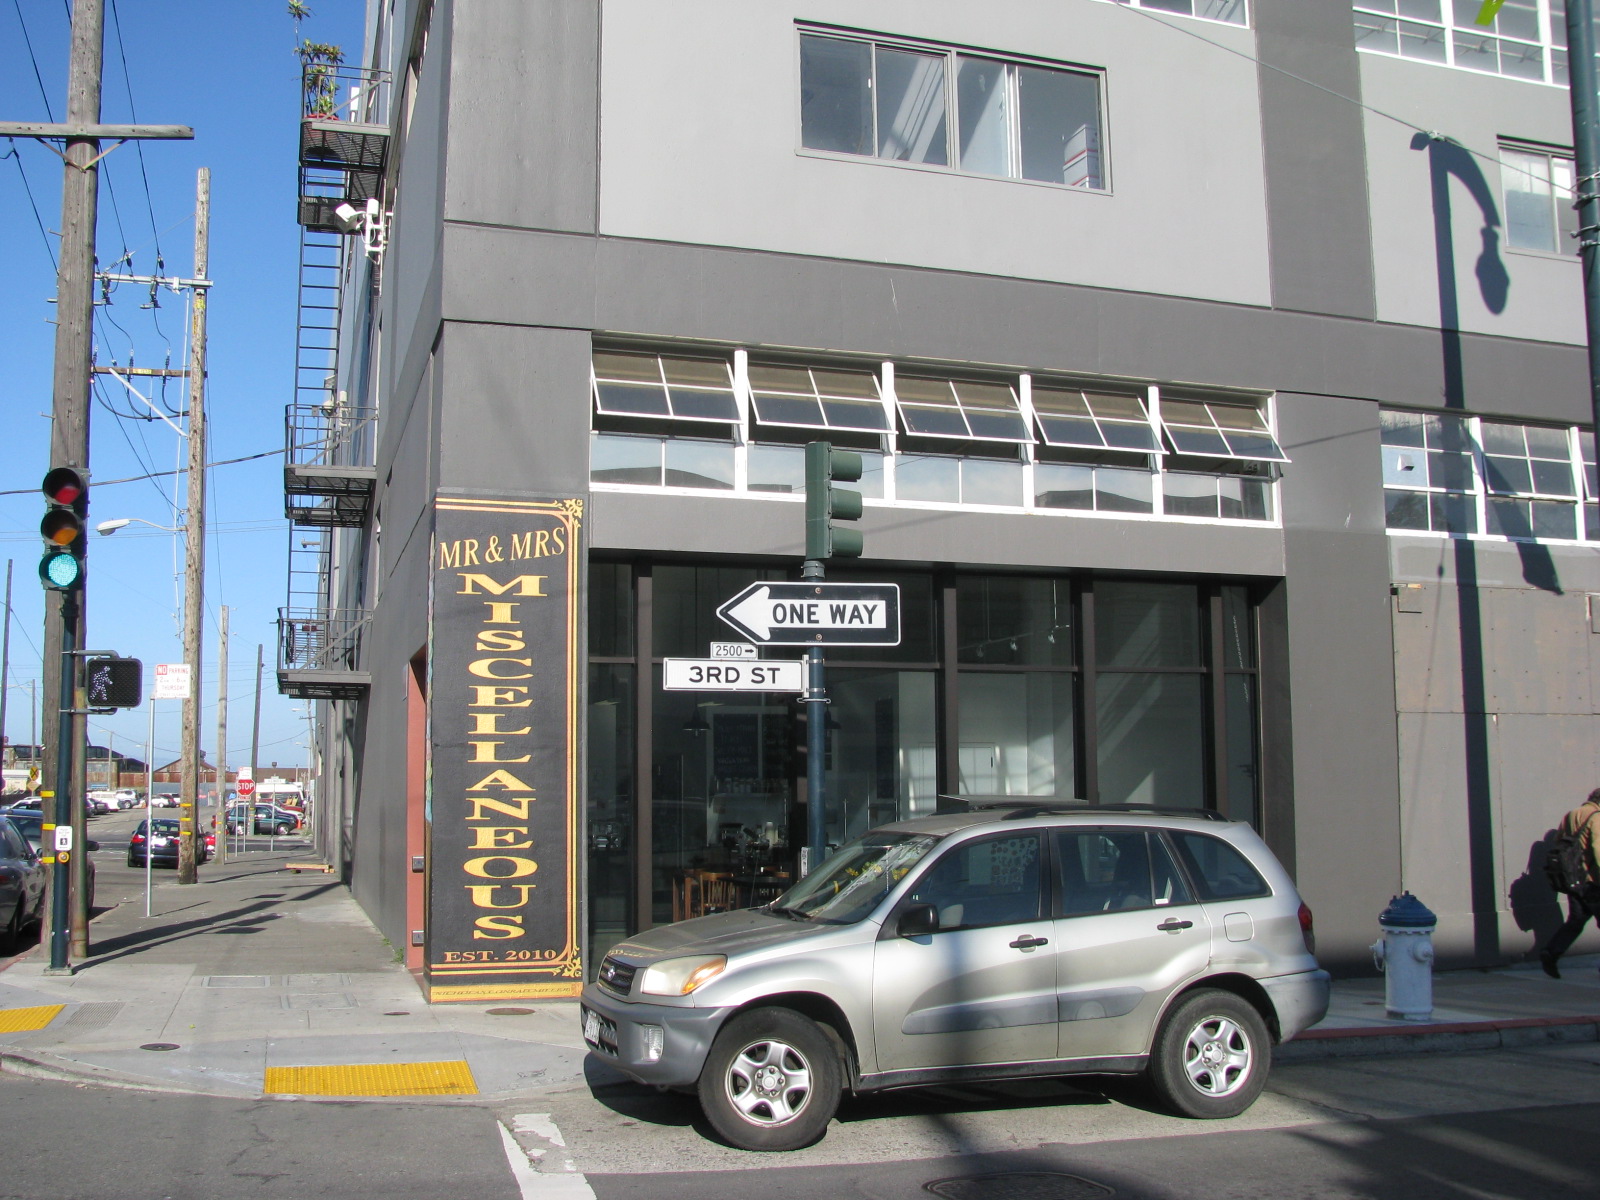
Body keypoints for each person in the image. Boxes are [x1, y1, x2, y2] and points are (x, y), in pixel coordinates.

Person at [1540, 788, 1600, 979]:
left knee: (1577, 920)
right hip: (1592, 881)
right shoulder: (1597, 817)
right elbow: (1598, 849)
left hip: (1573, 878)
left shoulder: (1570, 815)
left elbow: (1559, 840)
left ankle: (1551, 952)